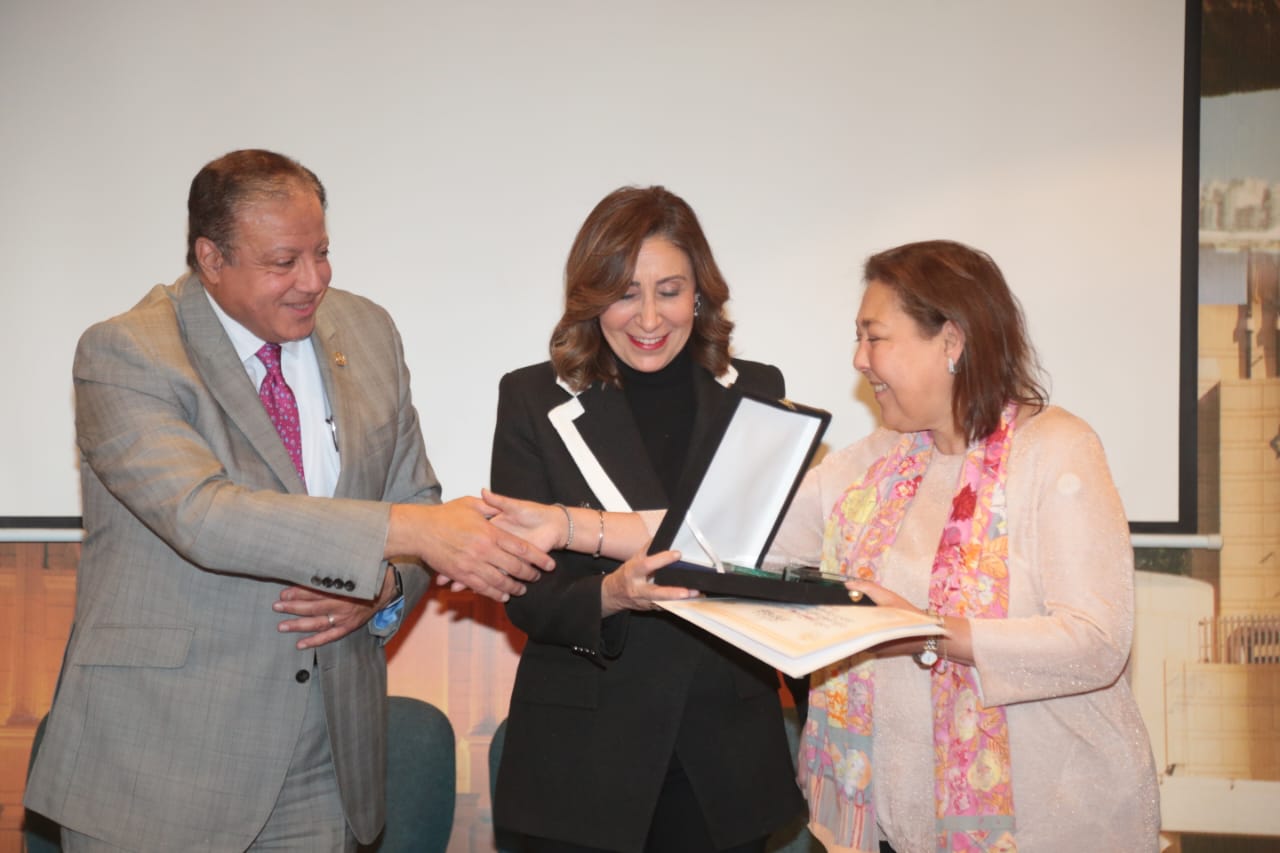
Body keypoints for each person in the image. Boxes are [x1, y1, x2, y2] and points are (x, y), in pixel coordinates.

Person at [23, 149, 553, 852]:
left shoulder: (366, 331)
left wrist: (385, 586)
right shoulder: (128, 353)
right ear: (211, 258)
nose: (314, 280)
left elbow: (413, 493)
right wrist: (410, 530)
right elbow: (204, 514)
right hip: (160, 764)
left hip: (324, 765)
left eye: (322, 252)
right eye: (284, 262)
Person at [764, 240, 1161, 852]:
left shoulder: (1056, 450)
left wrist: (928, 633)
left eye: (875, 337)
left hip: (1054, 826)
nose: (859, 359)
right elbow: (745, 535)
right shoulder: (874, 464)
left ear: (950, 341)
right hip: (900, 831)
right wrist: (599, 529)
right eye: (858, 338)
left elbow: (1097, 642)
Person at [488, 185, 805, 853]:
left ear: (700, 294)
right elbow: (527, 594)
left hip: (724, 758)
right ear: (592, 297)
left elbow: (765, 558)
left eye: (670, 290)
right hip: (582, 762)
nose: (650, 317)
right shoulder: (532, 398)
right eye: (626, 293)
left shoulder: (758, 391)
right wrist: (610, 593)